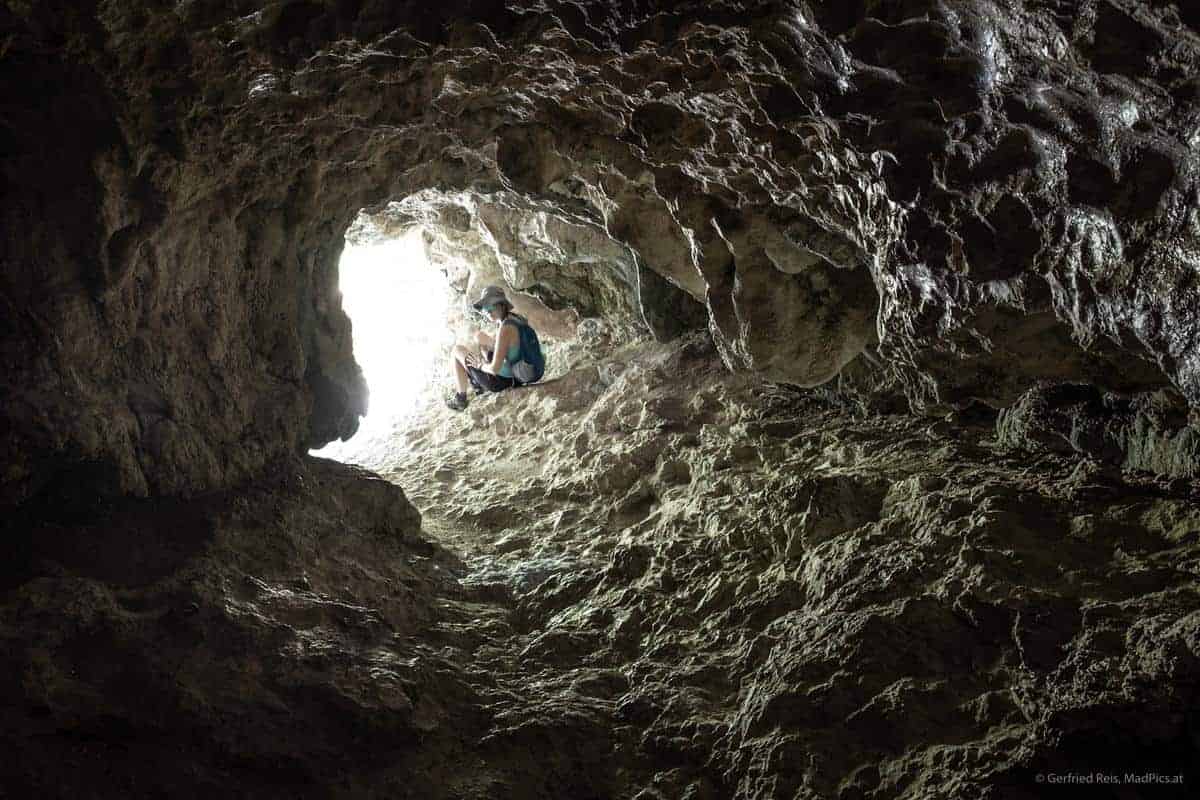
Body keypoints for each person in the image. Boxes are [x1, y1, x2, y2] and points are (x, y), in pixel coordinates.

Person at [446, 285, 528, 411]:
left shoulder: (505, 329)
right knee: (482, 344)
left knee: (457, 350)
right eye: (485, 308)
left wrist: (480, 365)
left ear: (502, 305)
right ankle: (477, 385)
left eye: (490, 307)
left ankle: (461, 398)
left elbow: (496, 368)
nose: (487, 311)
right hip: (518, 376)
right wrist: (489, 344)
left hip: (503, 380)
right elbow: (514, 350)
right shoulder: (516, 319)